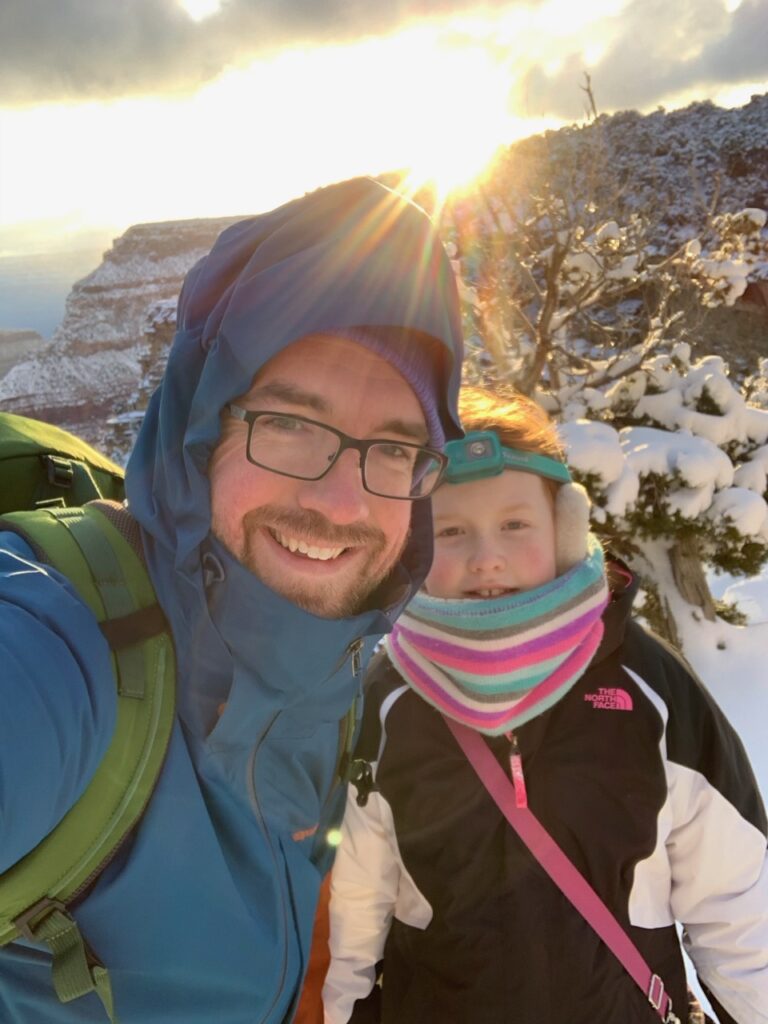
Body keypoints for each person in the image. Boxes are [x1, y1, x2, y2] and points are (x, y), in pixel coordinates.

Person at [0, 177, 464, 1023]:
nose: (340, 503)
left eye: (393, 449)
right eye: (289, 424)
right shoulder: (55, 657)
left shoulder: (348, 680)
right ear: (202, 429)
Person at [323, 384, 768, 1024]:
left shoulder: (649, 687)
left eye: (514, 524)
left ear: (565, 529)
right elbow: (355, 905)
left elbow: (737, 907)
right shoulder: (390, 696)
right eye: (450, 530)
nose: (486, 557)